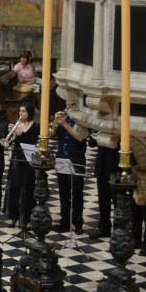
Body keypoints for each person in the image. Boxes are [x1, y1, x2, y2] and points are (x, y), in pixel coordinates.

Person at [52, 100, 88, 233]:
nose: (67, 107)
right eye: (66, 105)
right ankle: (65, 221)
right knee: (63, 190)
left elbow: (80, 136)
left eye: (71, 105)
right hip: (61, 155)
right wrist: (56, 124)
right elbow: (50, 134)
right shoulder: (63, 117)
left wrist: (64, 124)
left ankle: (78, 222)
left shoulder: (82, 119)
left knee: (76, 191)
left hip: (76, 157)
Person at [5, 99, 38, 228]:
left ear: (29, 112)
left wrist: (21, 134)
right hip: (16, 158)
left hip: (28, 160)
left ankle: (26, 217)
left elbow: (32, 142)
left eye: (23, 111)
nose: (21, 114)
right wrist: (13, 135)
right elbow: (12, 142)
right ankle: (14, 216)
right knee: (14, 187)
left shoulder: (35, 126)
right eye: (20, 111)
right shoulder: (17, 125)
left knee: (28, 189)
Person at [94, 138, 119, 238]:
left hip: (116, 166)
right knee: (103, 199)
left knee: (118, 201)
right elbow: (92, 143)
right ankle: (104, 228)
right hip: (102, 165)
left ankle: (119, 229)